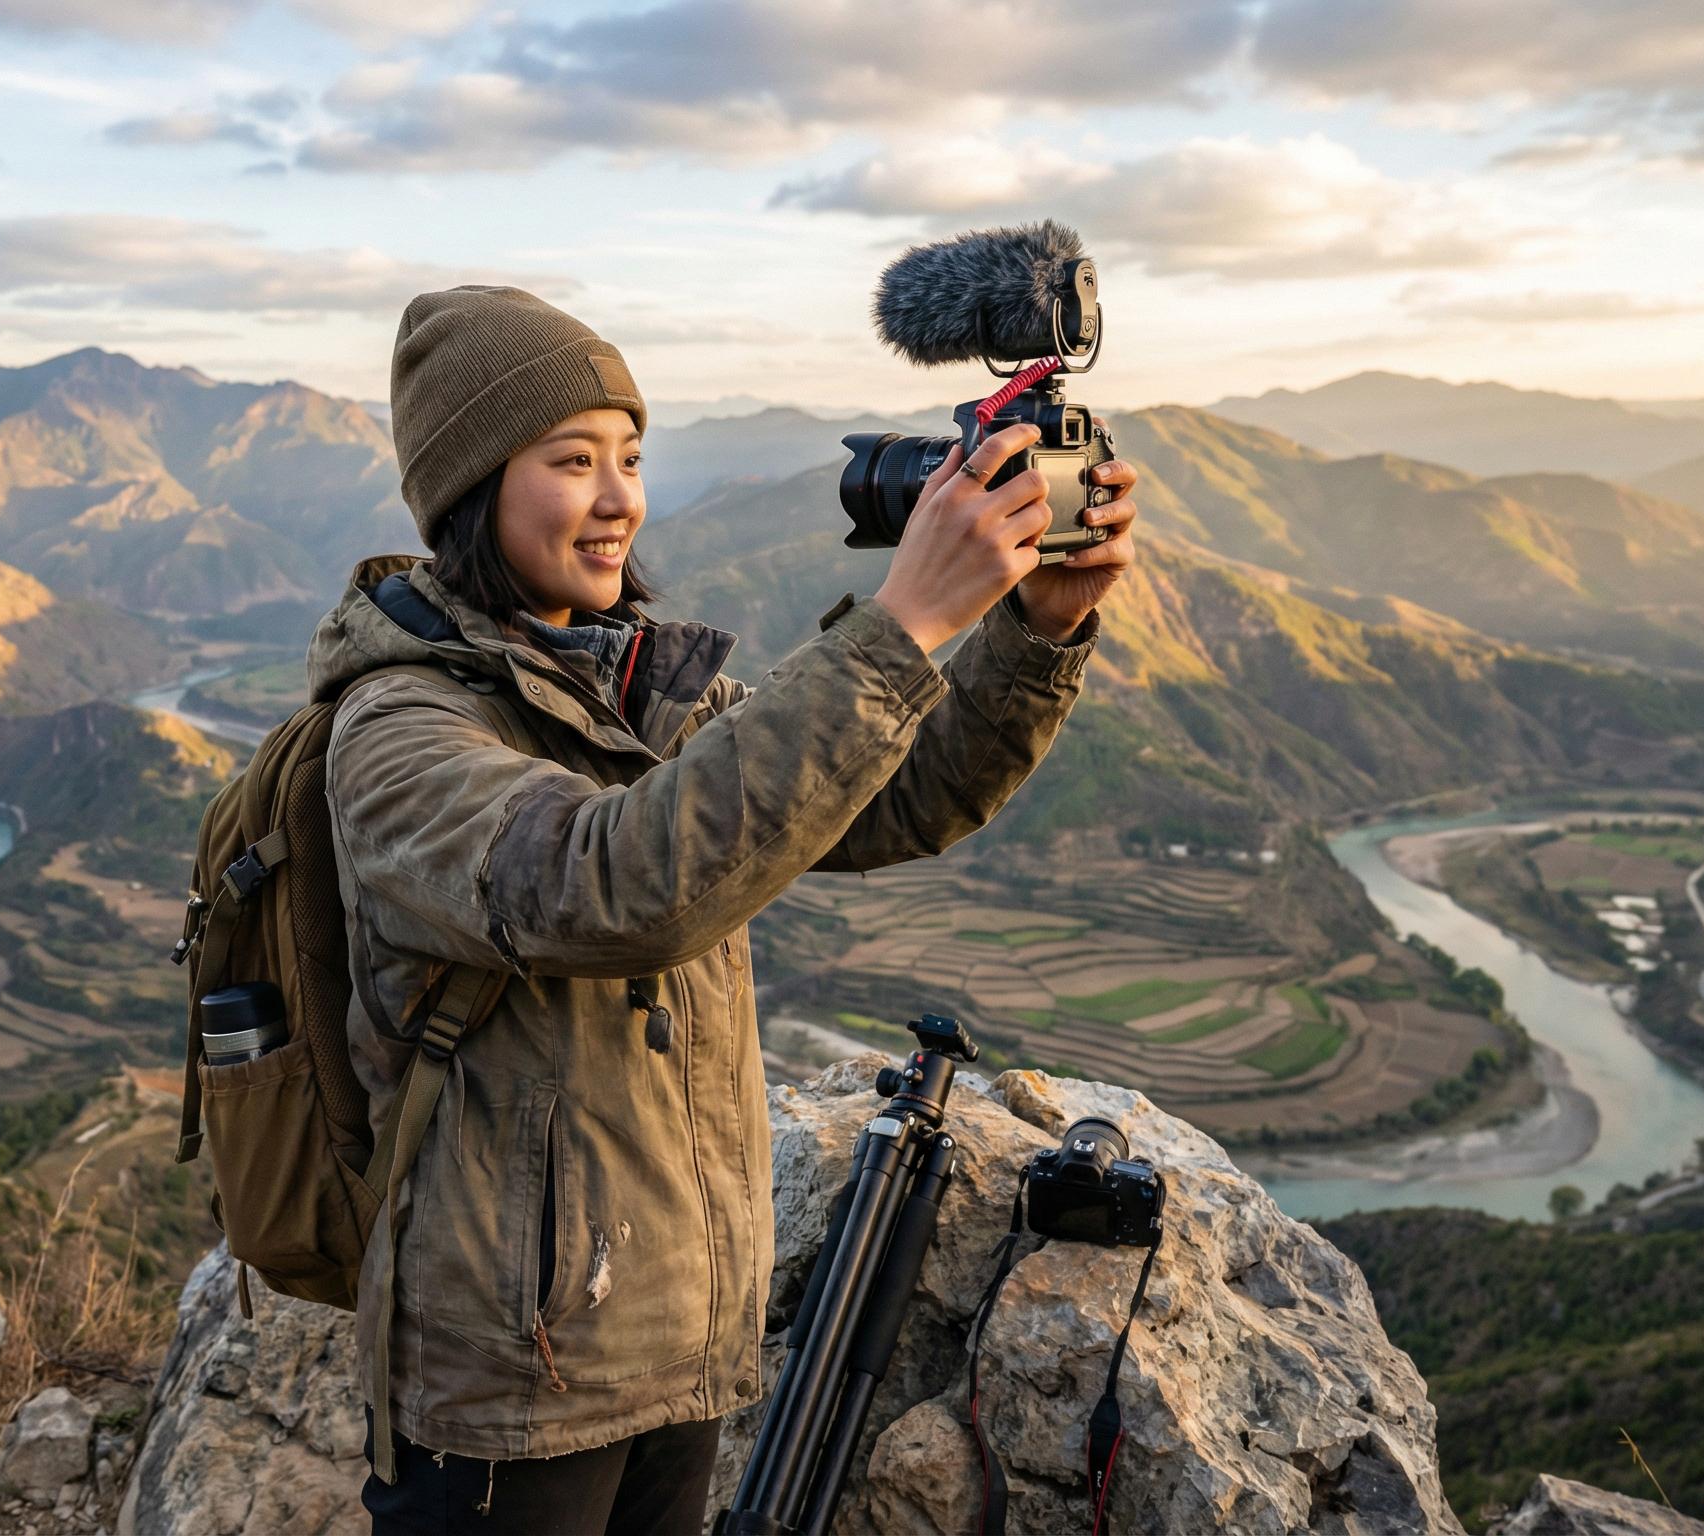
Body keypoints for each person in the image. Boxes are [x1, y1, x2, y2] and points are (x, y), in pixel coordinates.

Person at [321, 285, 1140, 1535]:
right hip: (508, 1382)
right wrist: (904, 618)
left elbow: (891, 794)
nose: (617, 499)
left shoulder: (636, 691)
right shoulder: (401, 730)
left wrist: (1036, 628)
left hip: (670, 1336)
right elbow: (616, 885)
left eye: (631, 459)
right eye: (571, 460)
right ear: (469, 487)